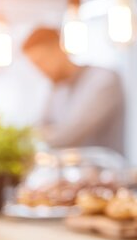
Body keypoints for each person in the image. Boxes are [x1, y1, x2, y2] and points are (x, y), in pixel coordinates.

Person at [22, 27, 126, 155]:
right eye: (35, 65)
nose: (40, 70)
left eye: (41, 61)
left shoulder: (103, 80)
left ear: (58, 48)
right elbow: (38, 126)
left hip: (106, 170)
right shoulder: (57, 88)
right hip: (68, 172)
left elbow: (66, 137)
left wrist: (48, 133)